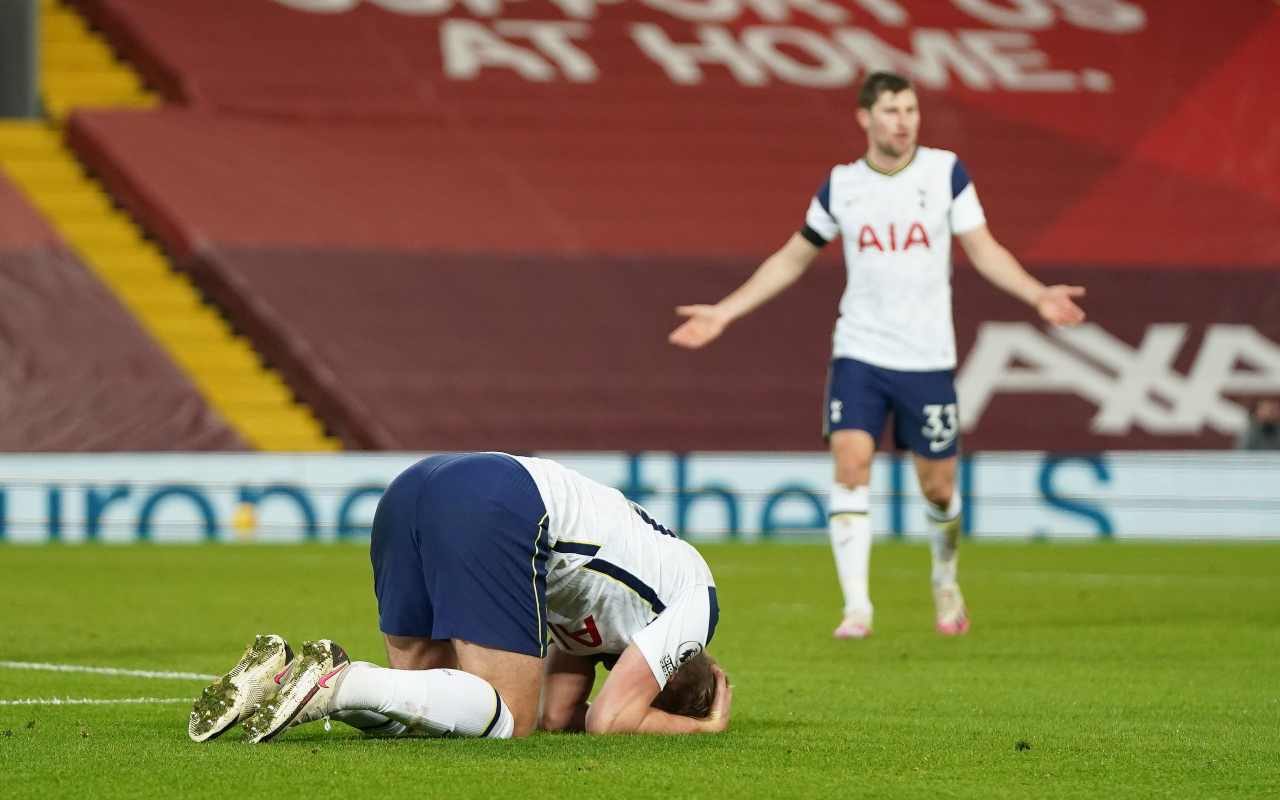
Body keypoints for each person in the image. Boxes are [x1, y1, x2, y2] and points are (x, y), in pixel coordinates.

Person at [668, 71, 1086, 640]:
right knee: (850, 462)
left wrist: (1037, 292)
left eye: (911, 109)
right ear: (864, 117)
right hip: (860, 353)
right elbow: (793, 257)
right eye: (891, 110)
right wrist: (725, 311)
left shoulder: (945, 172)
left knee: (938, 487)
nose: (904, 120)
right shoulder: (842, 186)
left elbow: (983, 249)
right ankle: (857, 607)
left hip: (929, 359)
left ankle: (944, 575)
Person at [187, 452, 731, 742]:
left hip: (419, 484)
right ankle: (343, 680)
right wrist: (704, 725)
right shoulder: (696, 604)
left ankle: (283, 679)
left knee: (424, 708)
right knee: (506, 720)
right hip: (501, 503)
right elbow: (610, 720)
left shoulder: (614, 621)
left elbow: (563, 715)